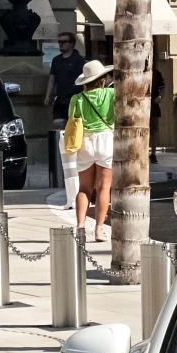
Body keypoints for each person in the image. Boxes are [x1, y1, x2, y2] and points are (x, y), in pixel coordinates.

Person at [64, 60, 117, 241]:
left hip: (84, 142)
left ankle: (80, 227)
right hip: (105, 140)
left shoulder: (77, 98)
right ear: (102, 78)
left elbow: (73, 120)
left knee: (84, 188)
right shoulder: (111, 94)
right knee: (104, 188)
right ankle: (99, 229)